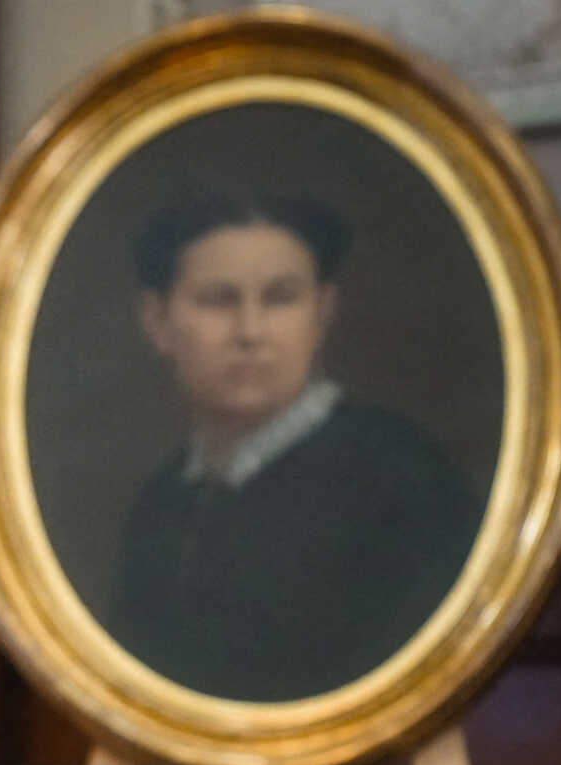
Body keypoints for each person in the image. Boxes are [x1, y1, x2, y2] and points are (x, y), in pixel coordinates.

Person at [97, 190, 479, 703]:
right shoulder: (159, 505)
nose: (250, 332)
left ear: (322, 313)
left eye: (280, 299)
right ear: (158, 322)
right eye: (217, 300)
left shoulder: (403, 480)